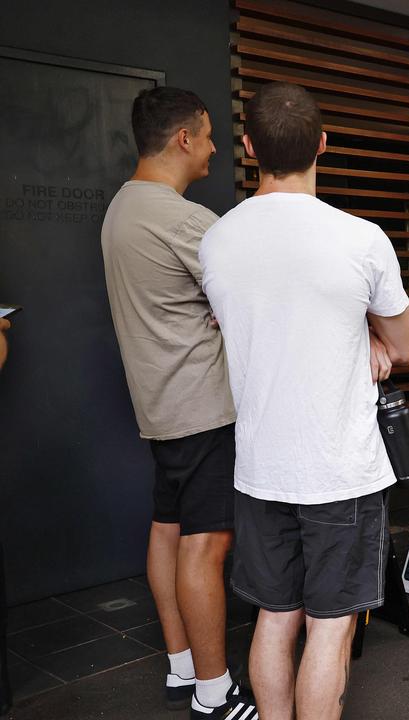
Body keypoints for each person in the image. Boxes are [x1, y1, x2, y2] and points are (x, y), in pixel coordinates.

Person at [200, 82, 409, 720]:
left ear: (248, 148)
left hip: (261, 466)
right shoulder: (362, 238)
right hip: (341, 467)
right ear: (323, 144)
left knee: (274, 616)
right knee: (330, 625)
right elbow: (402, 343)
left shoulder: (217, 242)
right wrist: (370, 339)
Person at [99, 86, 252, 719]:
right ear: (183, 139)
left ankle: (181, 664)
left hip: (159, 409)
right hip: (203, 409)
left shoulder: (120, 211)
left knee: (168, 531)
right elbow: (249, 298)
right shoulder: (183, 219)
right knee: (206, 545)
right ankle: (215, 694)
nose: (216, 147)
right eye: (210, 134)